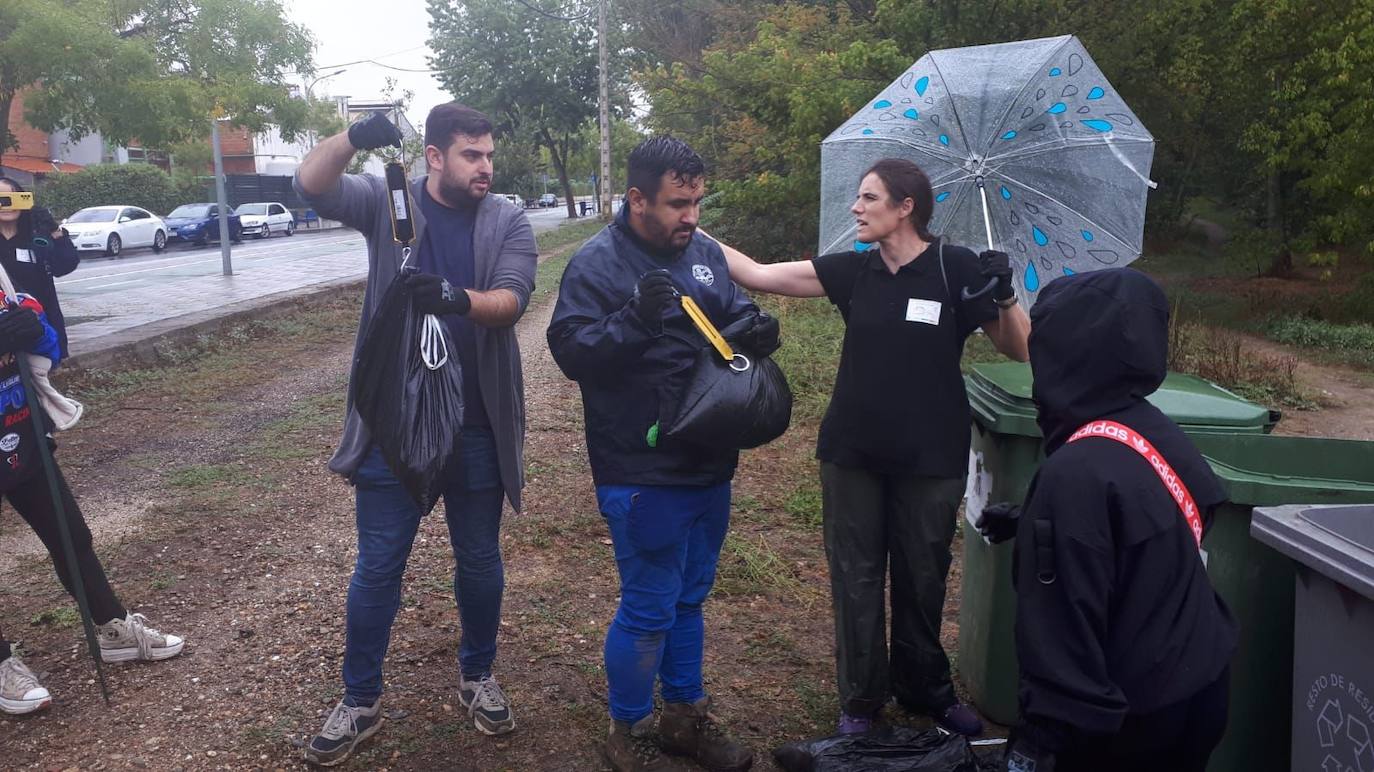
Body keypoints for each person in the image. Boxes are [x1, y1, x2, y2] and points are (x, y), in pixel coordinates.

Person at [712, 158, 1030, 736]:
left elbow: (1021, 348)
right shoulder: (854, 272)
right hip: (853, 453)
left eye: (868, 198)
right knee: (855, 578)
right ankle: (860, 702)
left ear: (906, 206)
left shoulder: (955, 266)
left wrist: (1005, 296)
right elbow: (758, 274)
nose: (856, 208)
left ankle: (926, 691)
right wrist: (687, 223)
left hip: (930, 457)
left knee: (923, 576)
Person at [293, 104, 536, 765]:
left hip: (477, 421)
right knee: (378, 565)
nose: (485, 166)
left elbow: (512, 298)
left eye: (489, 155)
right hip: (391, 421)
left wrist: (457, 298)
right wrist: (351, 137)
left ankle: (478, 675)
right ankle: (360, 699)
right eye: (471, 155)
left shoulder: (506, 218)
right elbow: (310, 185)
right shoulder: (389, 199)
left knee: (480, 560)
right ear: (434, 157)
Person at [547, 136, 775, 772]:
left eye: (698, 202)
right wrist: (632, 320)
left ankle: (684, 717)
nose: (692, 217)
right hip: (638, 465)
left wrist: (757, 329)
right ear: (638, 199)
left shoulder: (703, 254)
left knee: (690, 597)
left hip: (709, 457)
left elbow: (731, 318)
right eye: (679, 204)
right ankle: (626, 726)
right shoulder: (596, 264)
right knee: (649, 601)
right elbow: (569, 352)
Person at [981, 269, 1236, 772]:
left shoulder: (1073, 474)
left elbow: (1061, 629)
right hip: (1200, 683)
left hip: (1127, 722)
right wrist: (1033, 521)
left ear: (1066, 347)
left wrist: (1041, 740)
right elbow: (1181, 511)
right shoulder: (1150, 426)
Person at [0, 285, 183, 716]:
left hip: (22, 437)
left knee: (72, 536)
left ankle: (112, 629)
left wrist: (32, 330)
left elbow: (50, 347)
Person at [0, 178, 80, 360]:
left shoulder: (37, 239)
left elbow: (65, 265)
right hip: (6, 333)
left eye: (14, 197)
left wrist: (55, 230)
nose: (7, 205)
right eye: (1, 199)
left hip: (42, 330)